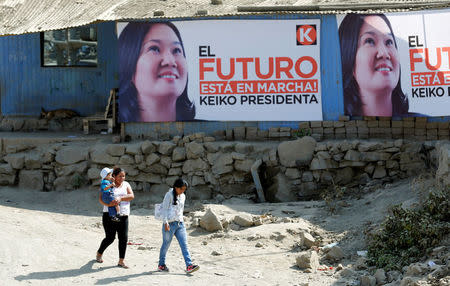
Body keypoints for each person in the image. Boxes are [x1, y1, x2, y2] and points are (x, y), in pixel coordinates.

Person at [118, 21, 195, 122]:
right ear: (129, 65)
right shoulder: (120, 132)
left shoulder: (203, 131)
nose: (170, 61)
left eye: (176, 50)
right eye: (155, 49)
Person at [339, 14, 409, 117]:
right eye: (370, 41)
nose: (384, 53)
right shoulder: (338, 125)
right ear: (348, 55)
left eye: (389, 42)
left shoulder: (423, 125)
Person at [157, 178, 199, 274]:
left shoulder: (183, 196)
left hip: (180, 224)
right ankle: (161, 264)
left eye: (184, 189)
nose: (182, 191)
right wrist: (165, 223)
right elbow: (164, 209)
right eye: (181, 189)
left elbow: (181, 210)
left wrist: (182, 220)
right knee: (166, 245)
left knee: (184, 245)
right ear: (176, 187)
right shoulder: (169, 195)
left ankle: (189, 265)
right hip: (169, 224)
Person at [95, 167, 134, 268]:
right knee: (110, 238)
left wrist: (120, 198)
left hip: (124, 215)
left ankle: (121, 261)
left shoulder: (126, 184)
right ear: (114, 176)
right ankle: (99, 253)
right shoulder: (107, 184)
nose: (122, 178)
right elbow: (100, 199)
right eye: (120, 176)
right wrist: (109, 205)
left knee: (123, 238)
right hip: (108, 215)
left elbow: (131, 196)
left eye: (123, 176)